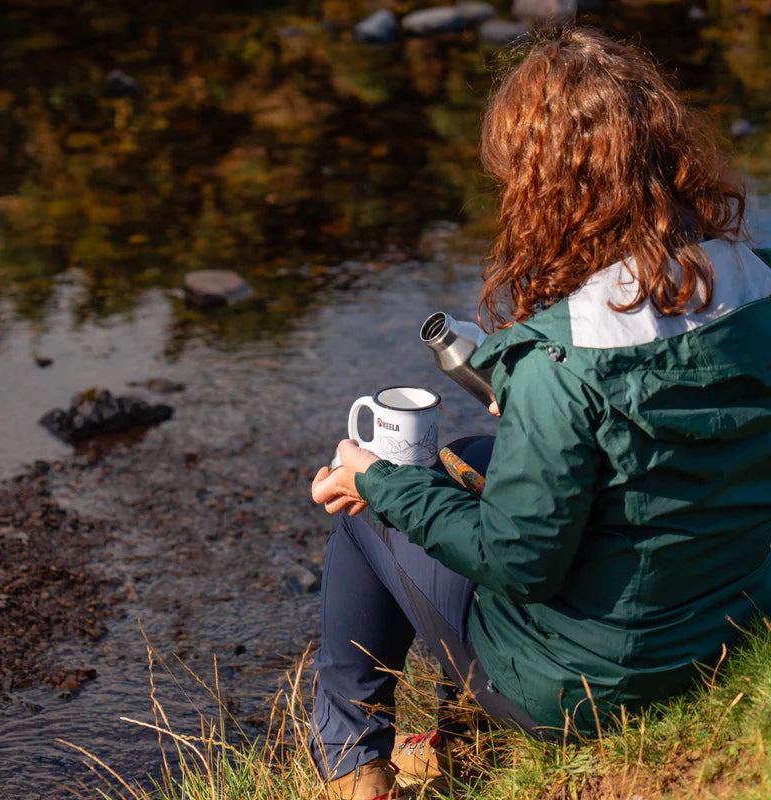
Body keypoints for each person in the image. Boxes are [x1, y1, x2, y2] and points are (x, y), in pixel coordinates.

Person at [309, 27, 771, 800]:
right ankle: (457, 743)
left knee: (369, 505)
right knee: (471, 456)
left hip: (589, 687)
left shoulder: (562, 359)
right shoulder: (756, 283)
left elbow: (520, 563)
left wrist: (378, 482)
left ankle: (354, 768)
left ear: (544, 188)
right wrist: (533, 400)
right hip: (730, 625)